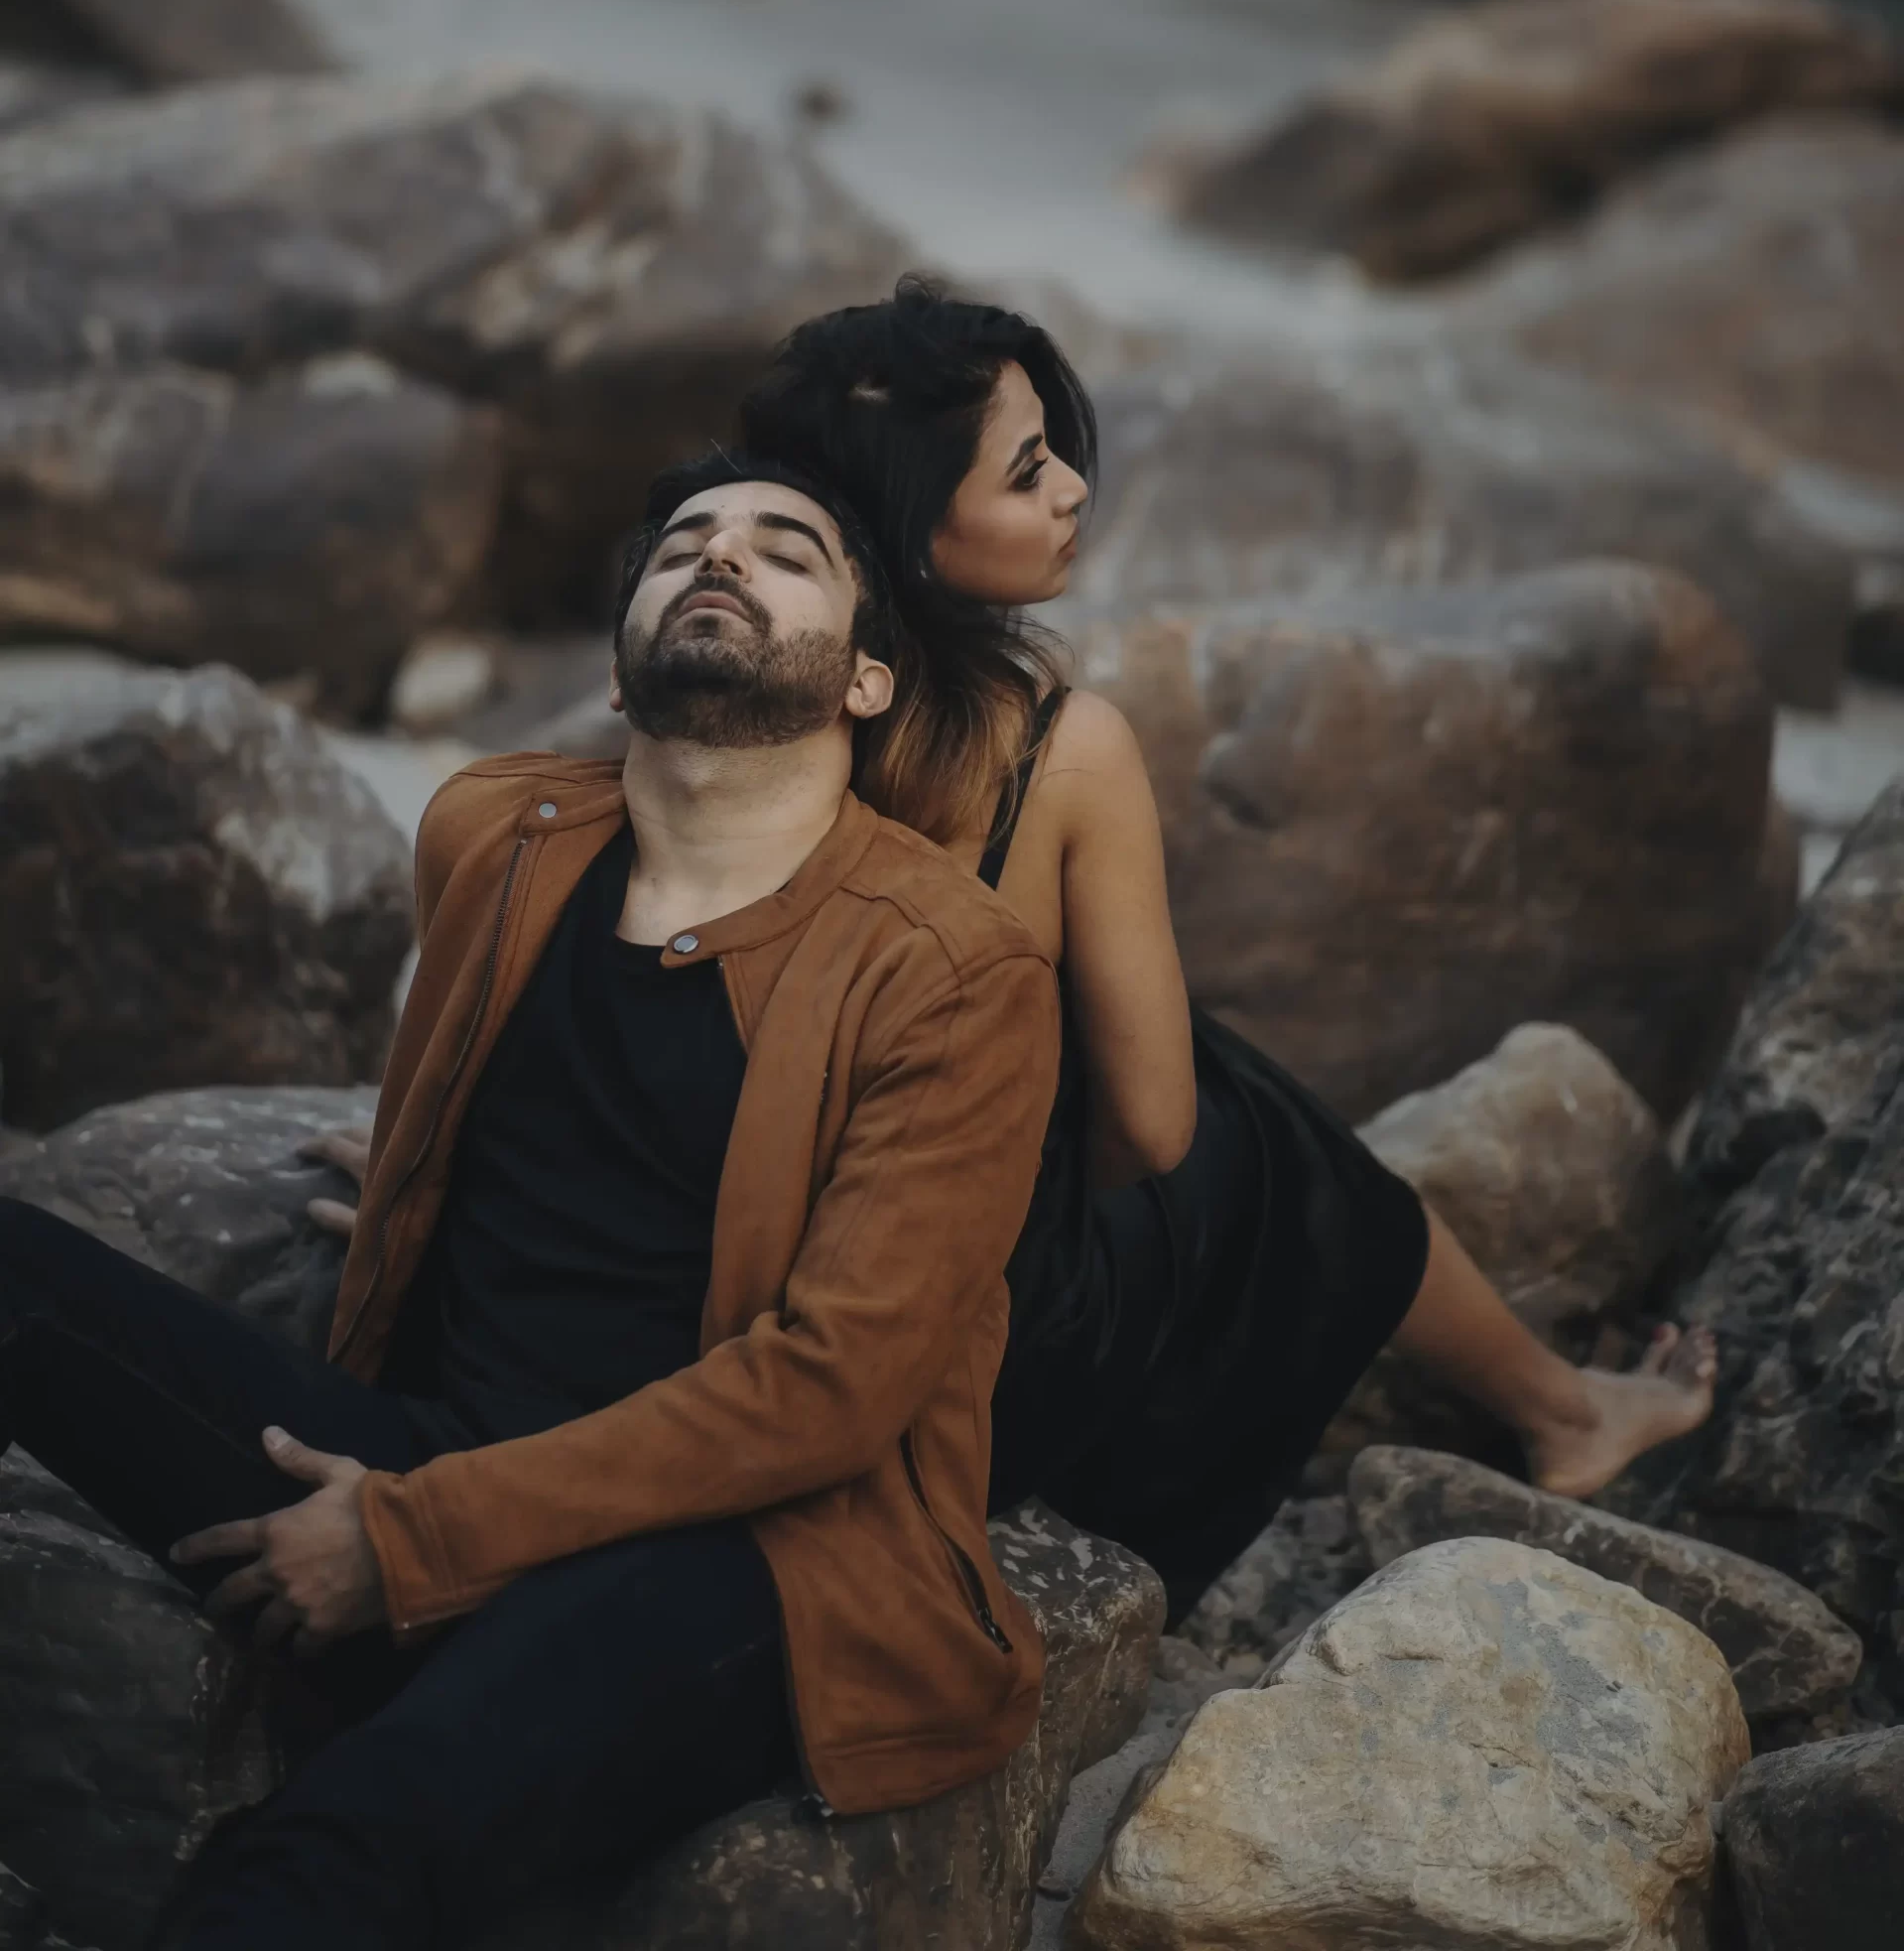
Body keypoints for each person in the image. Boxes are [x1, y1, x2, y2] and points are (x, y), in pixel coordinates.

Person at [0, 455, 1060, 1951]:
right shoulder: (495, 835)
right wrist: (430, 1183)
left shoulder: (950, 969)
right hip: (426, 1455)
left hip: (749, 1565)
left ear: (868, 685)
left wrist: (415, 1542)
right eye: (684, 543)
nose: (720, 560)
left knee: (338, 1842)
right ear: (620, 677)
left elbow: (831, 1394)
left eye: (785, 552)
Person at [735, 279, 1719, 1619]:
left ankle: (1554, 1402)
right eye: (1028, 474)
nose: (1075, 488)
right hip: (951, 1363)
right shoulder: (1055, 750)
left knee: (1199, 1077)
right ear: (914, 539)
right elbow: (1147, 1130)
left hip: (726, 1285)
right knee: (1239, 1130)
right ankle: (1558, 1408)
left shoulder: (711, 708)